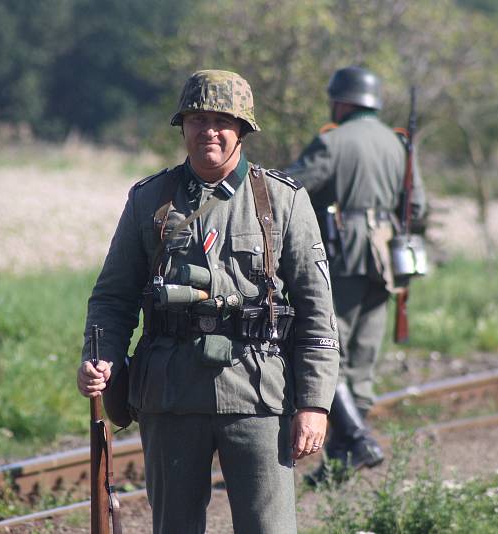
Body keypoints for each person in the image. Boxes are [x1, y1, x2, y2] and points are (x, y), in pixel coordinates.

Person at [76, 69, 340, 534]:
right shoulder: (149, 200)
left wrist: (314, 404)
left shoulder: (282, 201)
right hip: (171, 393)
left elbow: (318, 309)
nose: (209, 131)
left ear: (242, 128)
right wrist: (101, 359)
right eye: (197, 119)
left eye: (222, 120)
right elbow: (113, 298)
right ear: (182, 127)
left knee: (269, 528)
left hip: (257, 394)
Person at [286, 66, 428, 483]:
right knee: (363, 356)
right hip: (388, 259)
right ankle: (341, 461)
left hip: (343, 253)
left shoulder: (332, 141)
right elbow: (416, 208)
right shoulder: (400, 144)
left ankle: (359, 440)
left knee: (329, 352)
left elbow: (290, 187)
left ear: (343, 100)